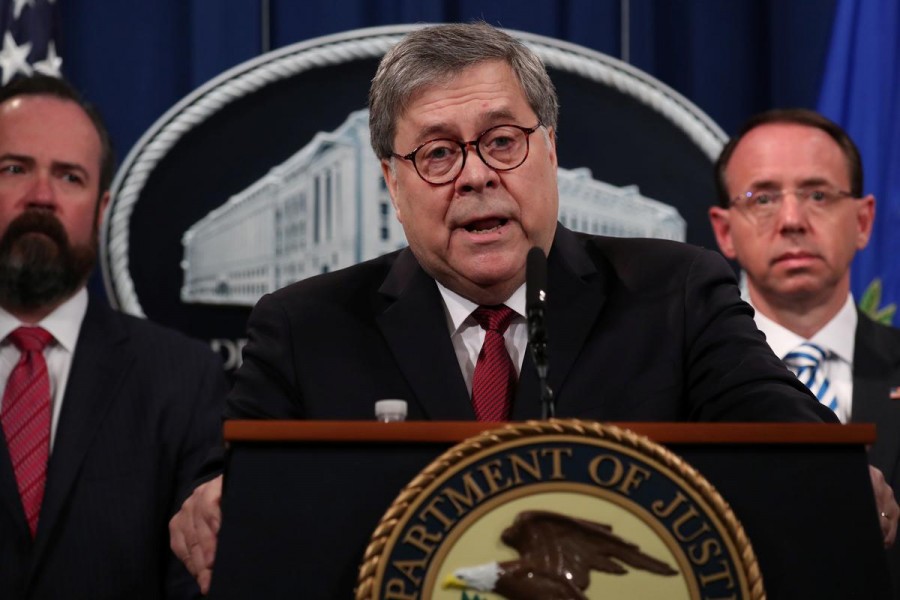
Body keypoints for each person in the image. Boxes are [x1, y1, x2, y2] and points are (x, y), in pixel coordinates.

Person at [170, 22, 893, 593]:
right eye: (437, 154)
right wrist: (212, 504)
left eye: (502, 141)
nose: (478, 175)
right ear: (393, 180)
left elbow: (791, 444)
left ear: (551, 149)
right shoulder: (304, 327)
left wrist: (831, 481)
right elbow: (234, 496)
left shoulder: (676, 294)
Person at [0, 75, 228, 599]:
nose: (41, 197)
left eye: (69, 177)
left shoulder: (183, 381)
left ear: (101, 211)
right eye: (15, 168)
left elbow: (196, 579)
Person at [708, 107, 900, 594]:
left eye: (818, 194)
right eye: (763, 198)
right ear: (725, 230)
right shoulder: (683, 384)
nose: (792, 220)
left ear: (863, 220)